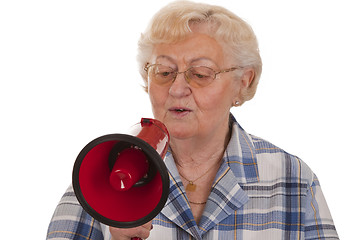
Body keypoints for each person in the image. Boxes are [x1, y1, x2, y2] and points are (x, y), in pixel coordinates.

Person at [47, 1, 339, 239]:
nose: (176, 89)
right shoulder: (98, 175)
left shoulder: (294, 181)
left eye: (200, 74)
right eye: (163, 72)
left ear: (242, 82)